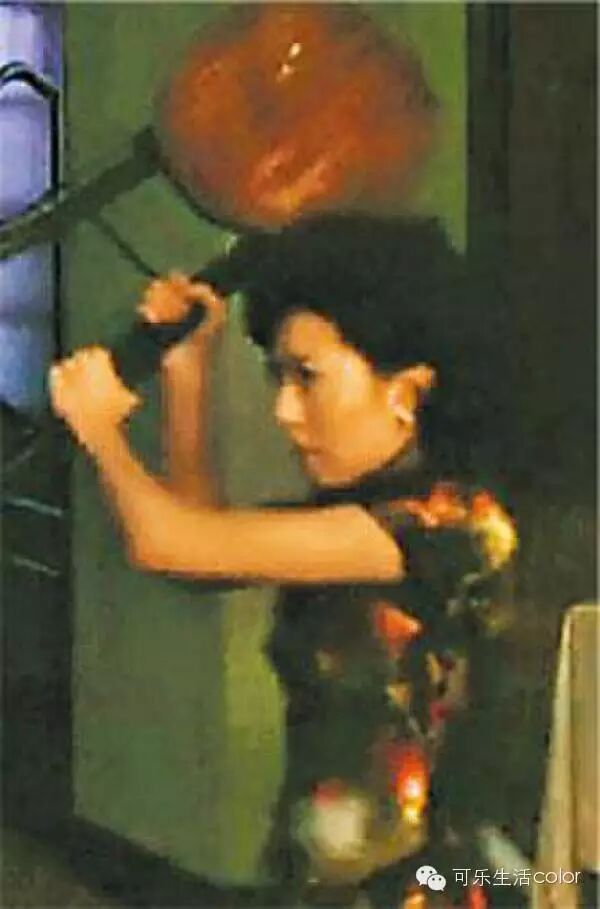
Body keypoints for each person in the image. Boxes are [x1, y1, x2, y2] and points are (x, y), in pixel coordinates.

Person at [49, 216, 518, 908]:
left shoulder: (453, 526)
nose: (285, 411)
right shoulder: (360, 513)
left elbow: (166, 540)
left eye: (308, 378)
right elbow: (196, 555)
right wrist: (189, 369)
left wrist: (99, 431)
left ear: (407, 391)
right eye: (278, 378)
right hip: (319, 882)